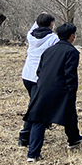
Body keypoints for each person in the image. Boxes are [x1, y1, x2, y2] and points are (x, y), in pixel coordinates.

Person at [24, 23, 82, 161]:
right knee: (69, 112)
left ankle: (33, 154)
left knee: (39, 119)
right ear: (72, 36)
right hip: (61, 89)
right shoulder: (72, 52)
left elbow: (39, 70)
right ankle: (73, 139)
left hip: (42, 88)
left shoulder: (48, 50)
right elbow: (70, 74)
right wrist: (72, 92)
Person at [18, 13, 59, 146]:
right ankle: (25, 136)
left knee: (34, 103)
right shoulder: (53, 38)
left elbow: (34, 26)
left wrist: (41, 16)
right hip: (39, 77)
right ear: (51, 24)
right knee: (35, 107)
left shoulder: (30, 35)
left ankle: (27, 134)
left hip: (27, 74)